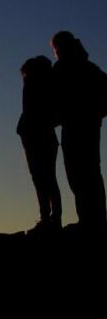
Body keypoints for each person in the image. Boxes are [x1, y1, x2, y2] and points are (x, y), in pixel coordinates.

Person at [51, 31, 107, 230]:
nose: (55, 53)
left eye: (55, 49)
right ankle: (92, 219)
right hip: (84, 125)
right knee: (86, 172)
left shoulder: (68, 69)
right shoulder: (88, 68)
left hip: (79, 126)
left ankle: (93, 221)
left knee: (81, 172)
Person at [17, 55, 62, 233]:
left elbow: (32, 113)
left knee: (44, 179)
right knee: (45, 179)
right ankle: (50, 218)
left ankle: (50, 219)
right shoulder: (48, 87)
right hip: (39, 137)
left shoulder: (36, 87)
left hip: (38, 137)